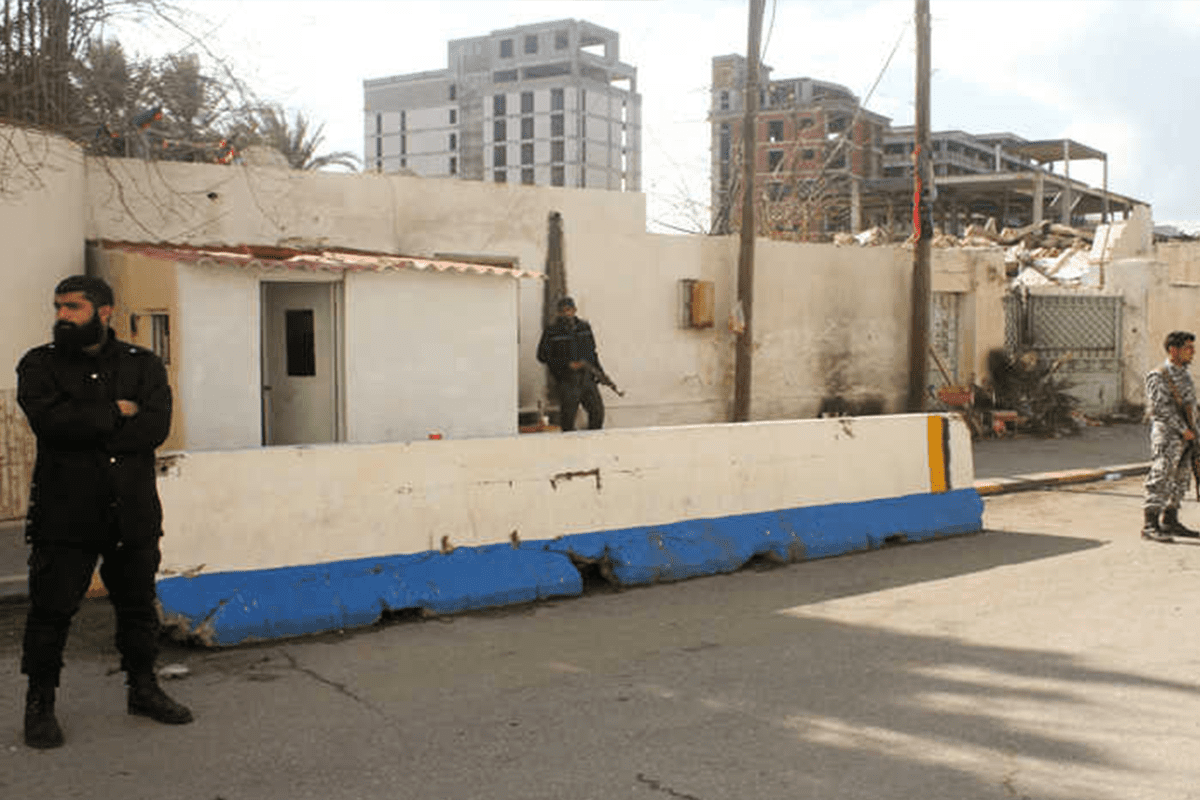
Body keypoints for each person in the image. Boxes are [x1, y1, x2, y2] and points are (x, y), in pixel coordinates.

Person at [18, 275, 193, 749]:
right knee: (51, 613)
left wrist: (87, 425)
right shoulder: (39, 365)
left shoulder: (143, 364)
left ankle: (143, 689)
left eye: (72, 307)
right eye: (58, 306)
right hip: (65, 515)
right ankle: (39, 704)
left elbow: (154, 429)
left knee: (137, 608)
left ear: (104, 311)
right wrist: (116, 411)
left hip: (131, 512)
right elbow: (51, 425)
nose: (61, 316)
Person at [1142, 330, 1200, 543]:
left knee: (1180, 479)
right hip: (1167, 436)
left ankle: (1170, 520)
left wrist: (1194, 432)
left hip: (1187, 436)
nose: (1192, 351)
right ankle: (1150, 525)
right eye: (1188, 348)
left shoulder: (1184, 374)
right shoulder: (1158, 375)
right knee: (1161, 476)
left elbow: (1191, 406)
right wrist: (1183, 429)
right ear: (1173, 350)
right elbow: (1160, 408)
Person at [537, 296, 606, 432]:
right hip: (567, 380)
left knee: (597, 413)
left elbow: (592, 353)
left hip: (587, 378)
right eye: (562, 311)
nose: (566, 313)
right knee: (568, 420)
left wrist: (600, 372)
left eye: (568, 310)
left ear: (574, 310)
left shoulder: (584, 327)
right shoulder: (552, 331)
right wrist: (566, 365)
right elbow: (542, 356)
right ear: (558, 312)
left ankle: (592, 440)